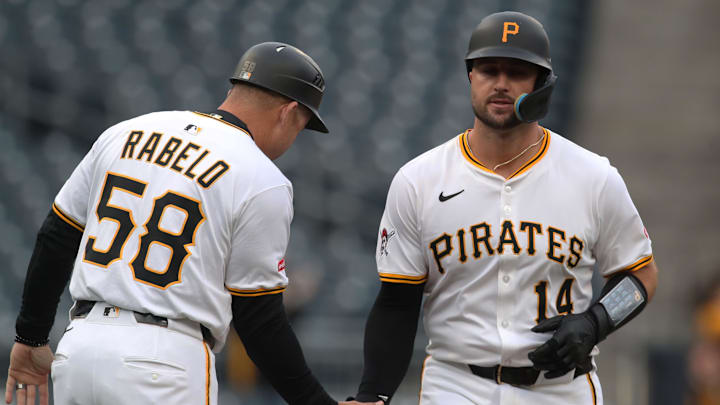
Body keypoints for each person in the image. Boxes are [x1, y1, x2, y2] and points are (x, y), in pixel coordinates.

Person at [4, 42, 380, 405]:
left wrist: (30, 337)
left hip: (79, 348)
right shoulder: (262, 177)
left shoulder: (127, 131)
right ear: (288, 112)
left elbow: (56, 236)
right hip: (162, 361)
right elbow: (259, 318)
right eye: (299, 127)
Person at [350, 11, 659, 405]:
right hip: (456, 385)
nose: (500, 84)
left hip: (560, 389)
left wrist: (596, 322)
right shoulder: (419, 180)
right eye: (488, 69)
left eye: (516, 72)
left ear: (542, 83)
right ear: (470, 76)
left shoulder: (593, 176)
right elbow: (396, 301)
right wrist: (372, 395)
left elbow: (641, 275)